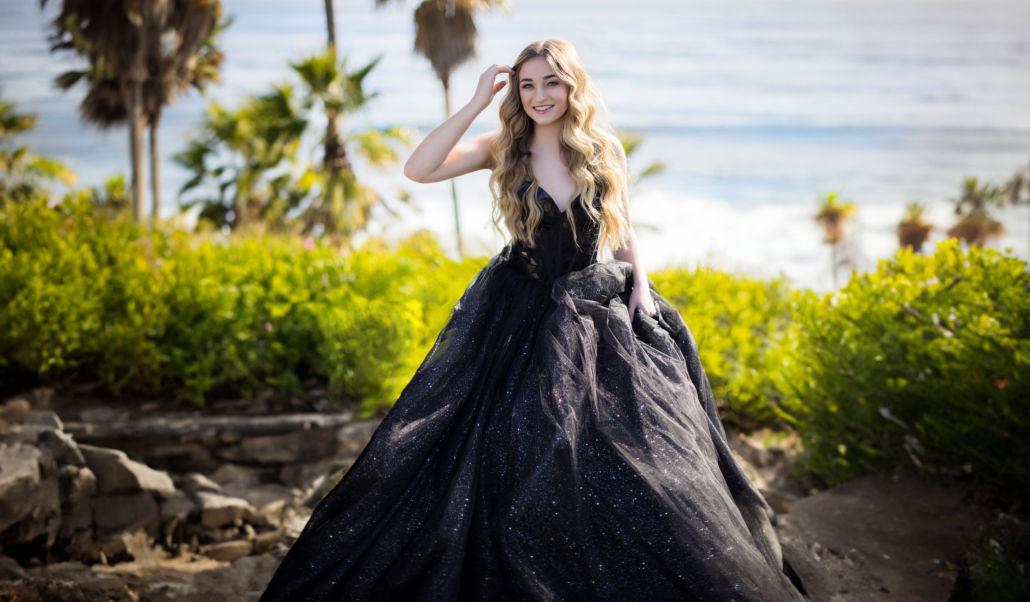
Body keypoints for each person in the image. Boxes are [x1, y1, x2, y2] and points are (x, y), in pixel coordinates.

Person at [259, 40, 805, 602]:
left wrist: (641, 289)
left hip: (596, 313)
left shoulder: (603, 150)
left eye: (552, 83)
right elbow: (418, 169)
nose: (540, 96)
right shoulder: (504, 147)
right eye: (528, 85)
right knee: (508, 445)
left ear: (573, 87)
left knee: (635, 451)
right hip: (516, 312)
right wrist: (475, 102)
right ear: (516, 93)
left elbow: (621, 230)